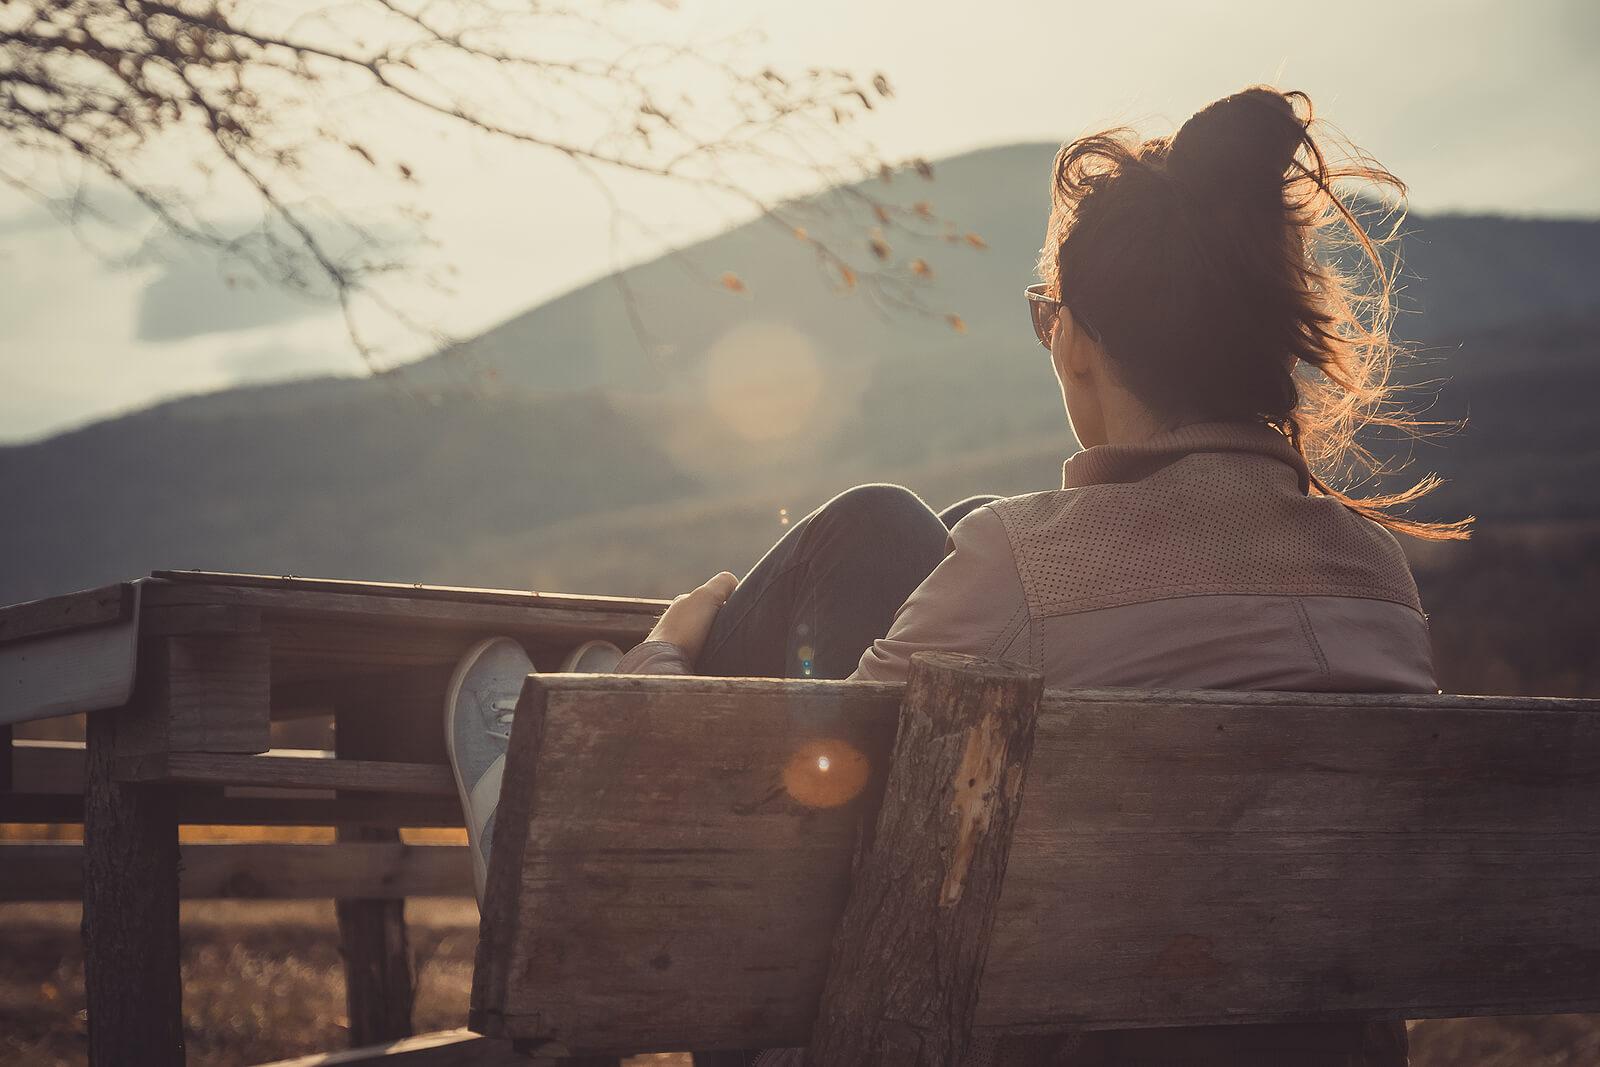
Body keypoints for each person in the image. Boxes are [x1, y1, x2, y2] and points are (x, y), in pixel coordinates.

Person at [445, 85, 1469, 1067]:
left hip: (921, 1039)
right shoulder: (1374, 573)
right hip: (1297, 1036)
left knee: (872, 526)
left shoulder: (1026, 565)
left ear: (1078, 341)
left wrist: (671, 647)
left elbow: (771, 816)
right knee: (948, 528)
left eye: (1045, 314)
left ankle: (544, 821)